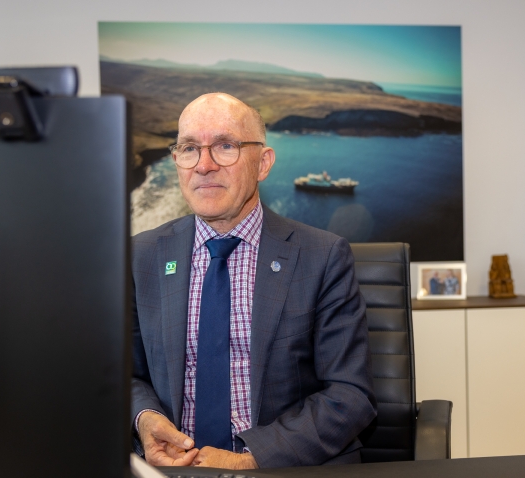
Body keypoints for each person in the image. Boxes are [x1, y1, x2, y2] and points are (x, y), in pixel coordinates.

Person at [131, 93, 376, 470]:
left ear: (263, 163)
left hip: (283, 467)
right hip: (172, 468)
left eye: (225, 146)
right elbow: (122, 375)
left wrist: (251, 459)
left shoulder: (323, 256)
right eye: (189, 148)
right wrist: (145, 419)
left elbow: (349, 395)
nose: (204, 165)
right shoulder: (140, 256)